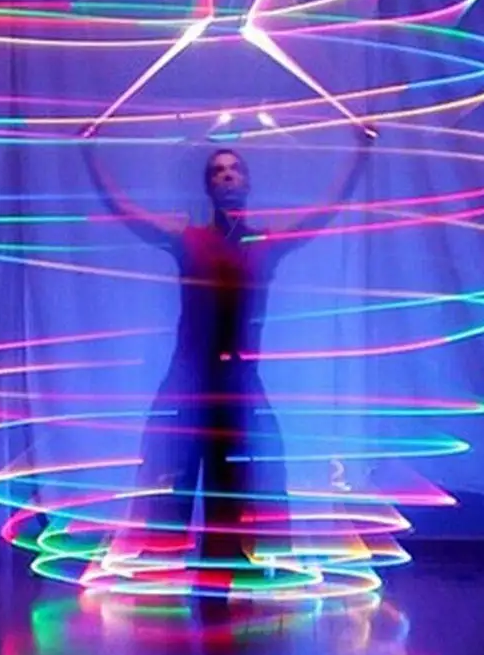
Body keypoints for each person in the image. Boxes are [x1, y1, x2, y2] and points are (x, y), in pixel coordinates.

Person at [82, 123, 374, 568]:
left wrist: (360, 154)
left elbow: (324, 212)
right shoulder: (188, 239)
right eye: (217, 171)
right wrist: (90, 153)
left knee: (240, 481)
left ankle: (231, 565)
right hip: (189, 383)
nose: (227, 175)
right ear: (208, 187)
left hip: (239, 384)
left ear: (247, 182)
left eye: (234, 169)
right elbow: (124, 212)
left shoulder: (264, 244)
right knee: (175, 481)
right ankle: (171, 570)